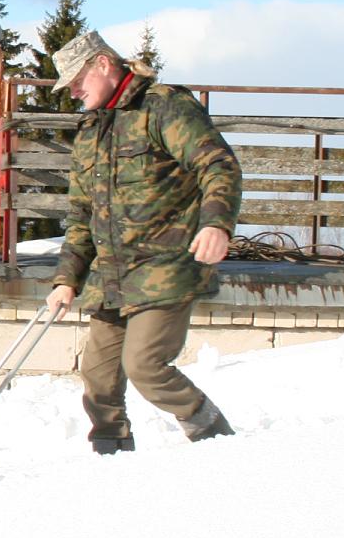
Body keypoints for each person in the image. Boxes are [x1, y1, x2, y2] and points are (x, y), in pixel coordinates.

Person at [43, 31, 242, 453]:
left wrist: (216, 224)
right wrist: (66, 280)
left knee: (146, 366)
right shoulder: (90, 132)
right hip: (112, 276)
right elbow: (81, 216)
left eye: (77, 80)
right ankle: (112, 459)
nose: (73, 92)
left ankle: (219, 444)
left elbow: (217, 164)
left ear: (102, 64)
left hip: (165, 266)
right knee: (98, 378)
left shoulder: (163, 106)